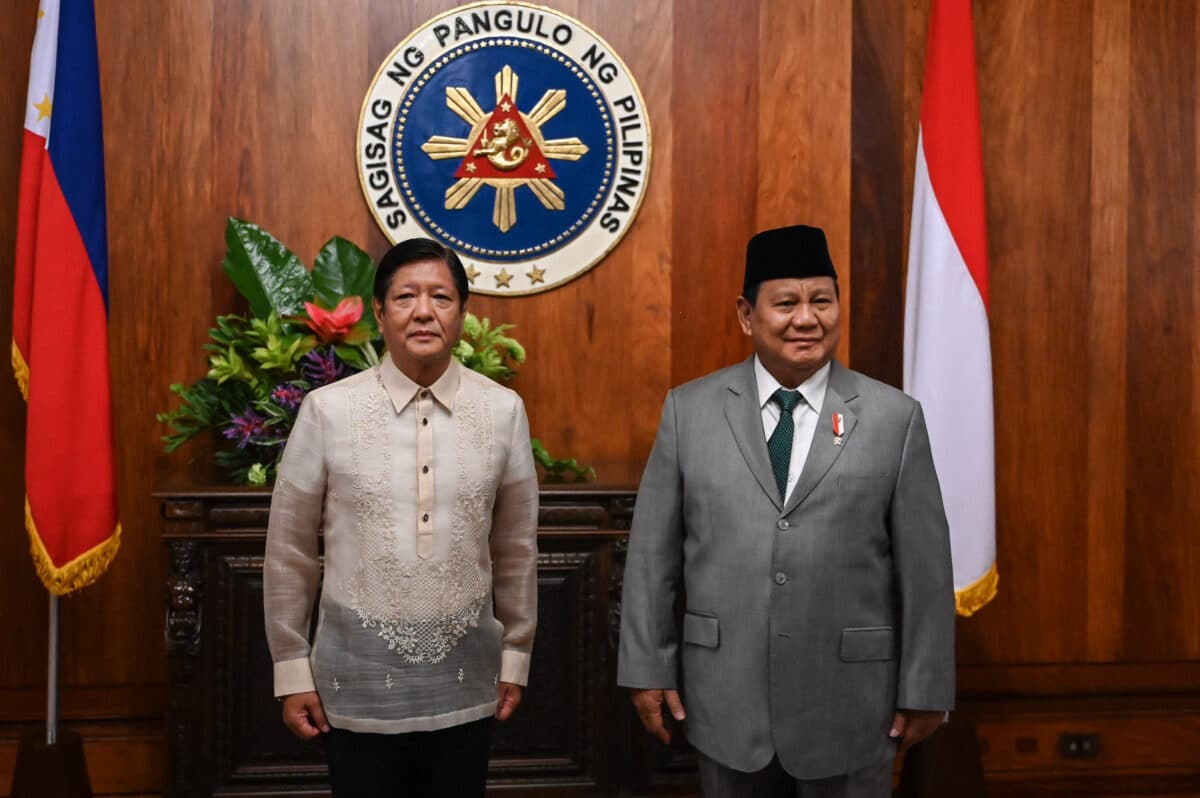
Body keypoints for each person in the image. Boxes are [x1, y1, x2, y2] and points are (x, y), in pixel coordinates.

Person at [618, 225, 955, 797]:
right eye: (787, 303)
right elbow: (652, 559)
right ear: (748, 316)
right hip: (725, 697)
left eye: (822, 300)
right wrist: (647, 668)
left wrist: (926, 686)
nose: (807, 318)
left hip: (853, 703)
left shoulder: (895, 418)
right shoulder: (690, 411)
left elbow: (925, 571)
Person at [263, 238, 539, 797]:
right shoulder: (328, 411)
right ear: (380, 312)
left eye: (440, 297)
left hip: (469, 681)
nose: (423, 311)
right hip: (352, 685)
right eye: (405, 296)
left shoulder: (503, 410)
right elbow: (289, 550)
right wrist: (291, 669)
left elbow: (516, 547)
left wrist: (516, 656)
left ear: (463, 313)